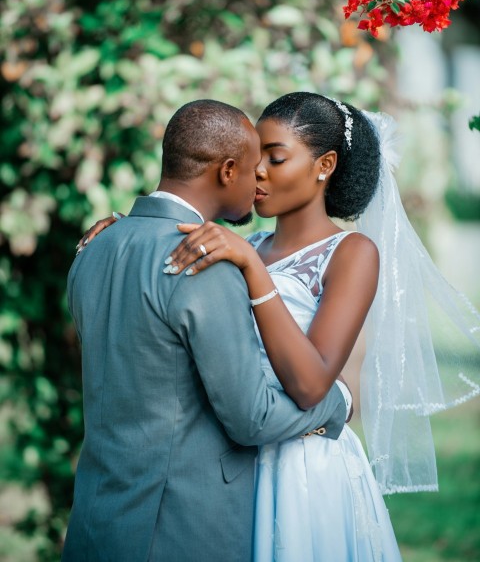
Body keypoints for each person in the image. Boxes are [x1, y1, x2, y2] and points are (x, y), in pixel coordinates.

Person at [81, 93, 480, 561]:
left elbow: (312, 384)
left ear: (324, 165)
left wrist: (253, 270)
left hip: (304, 467)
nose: (259, 172)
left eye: (274, 157)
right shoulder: (242, 242)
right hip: (233, 467)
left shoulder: (351, 253)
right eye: (255, 158)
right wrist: (137, 234)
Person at [62, 99, 349, 562]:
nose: (259, 179)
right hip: (180, 528)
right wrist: (337, 403)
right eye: (256, 166)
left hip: (97, 519)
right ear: (227, 171)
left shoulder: (95, 245)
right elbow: (251, 417)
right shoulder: (203, 263)